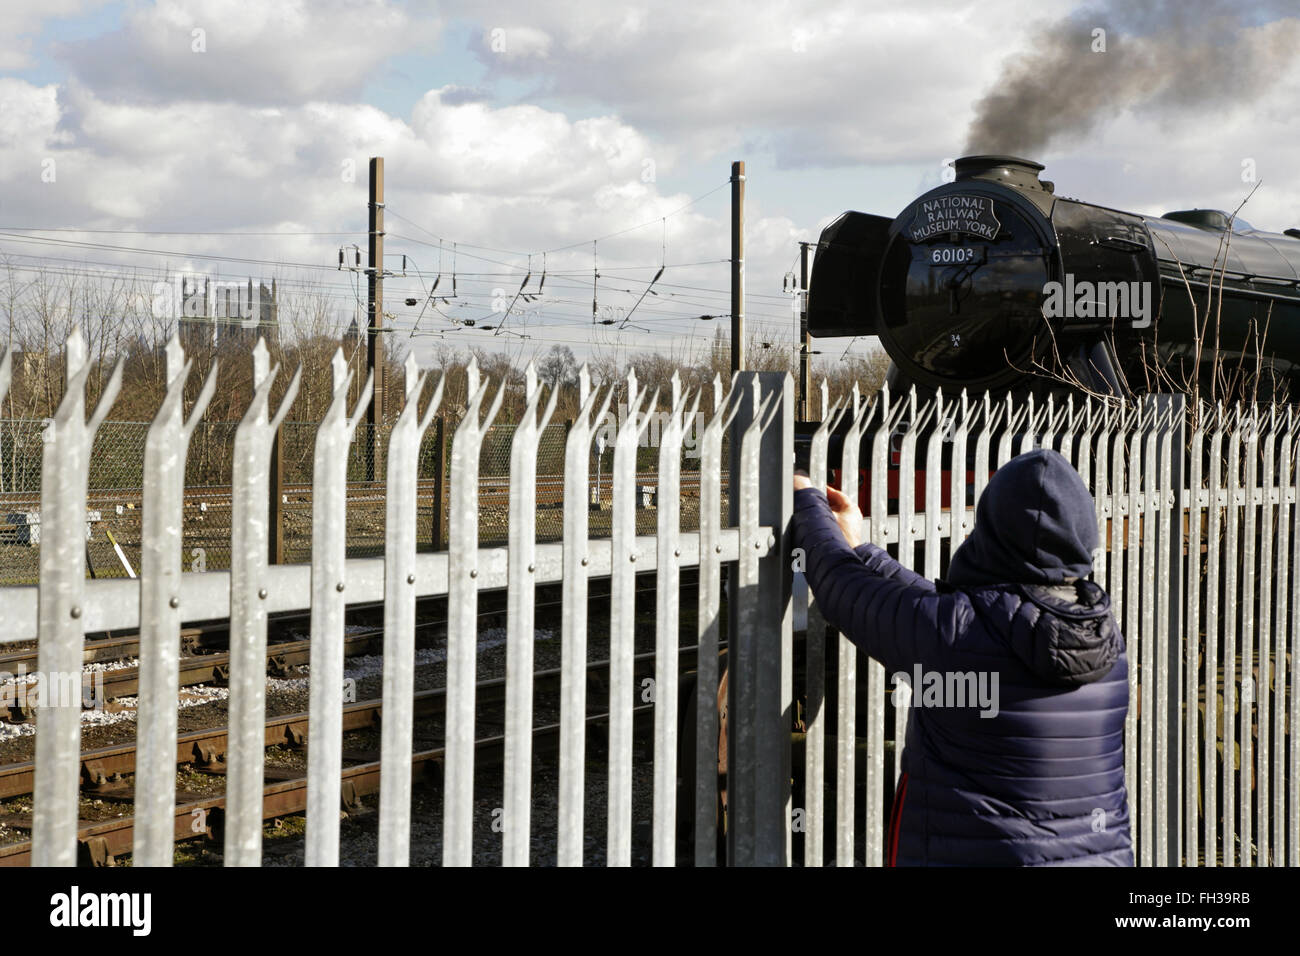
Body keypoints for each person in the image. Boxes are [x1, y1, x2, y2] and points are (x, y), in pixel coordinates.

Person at [792, 447, 1132, 866]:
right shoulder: (1106, 644)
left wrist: (804, 497)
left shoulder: (956, 634)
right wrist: (864, 550)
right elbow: (953, 613)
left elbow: (840, 584)